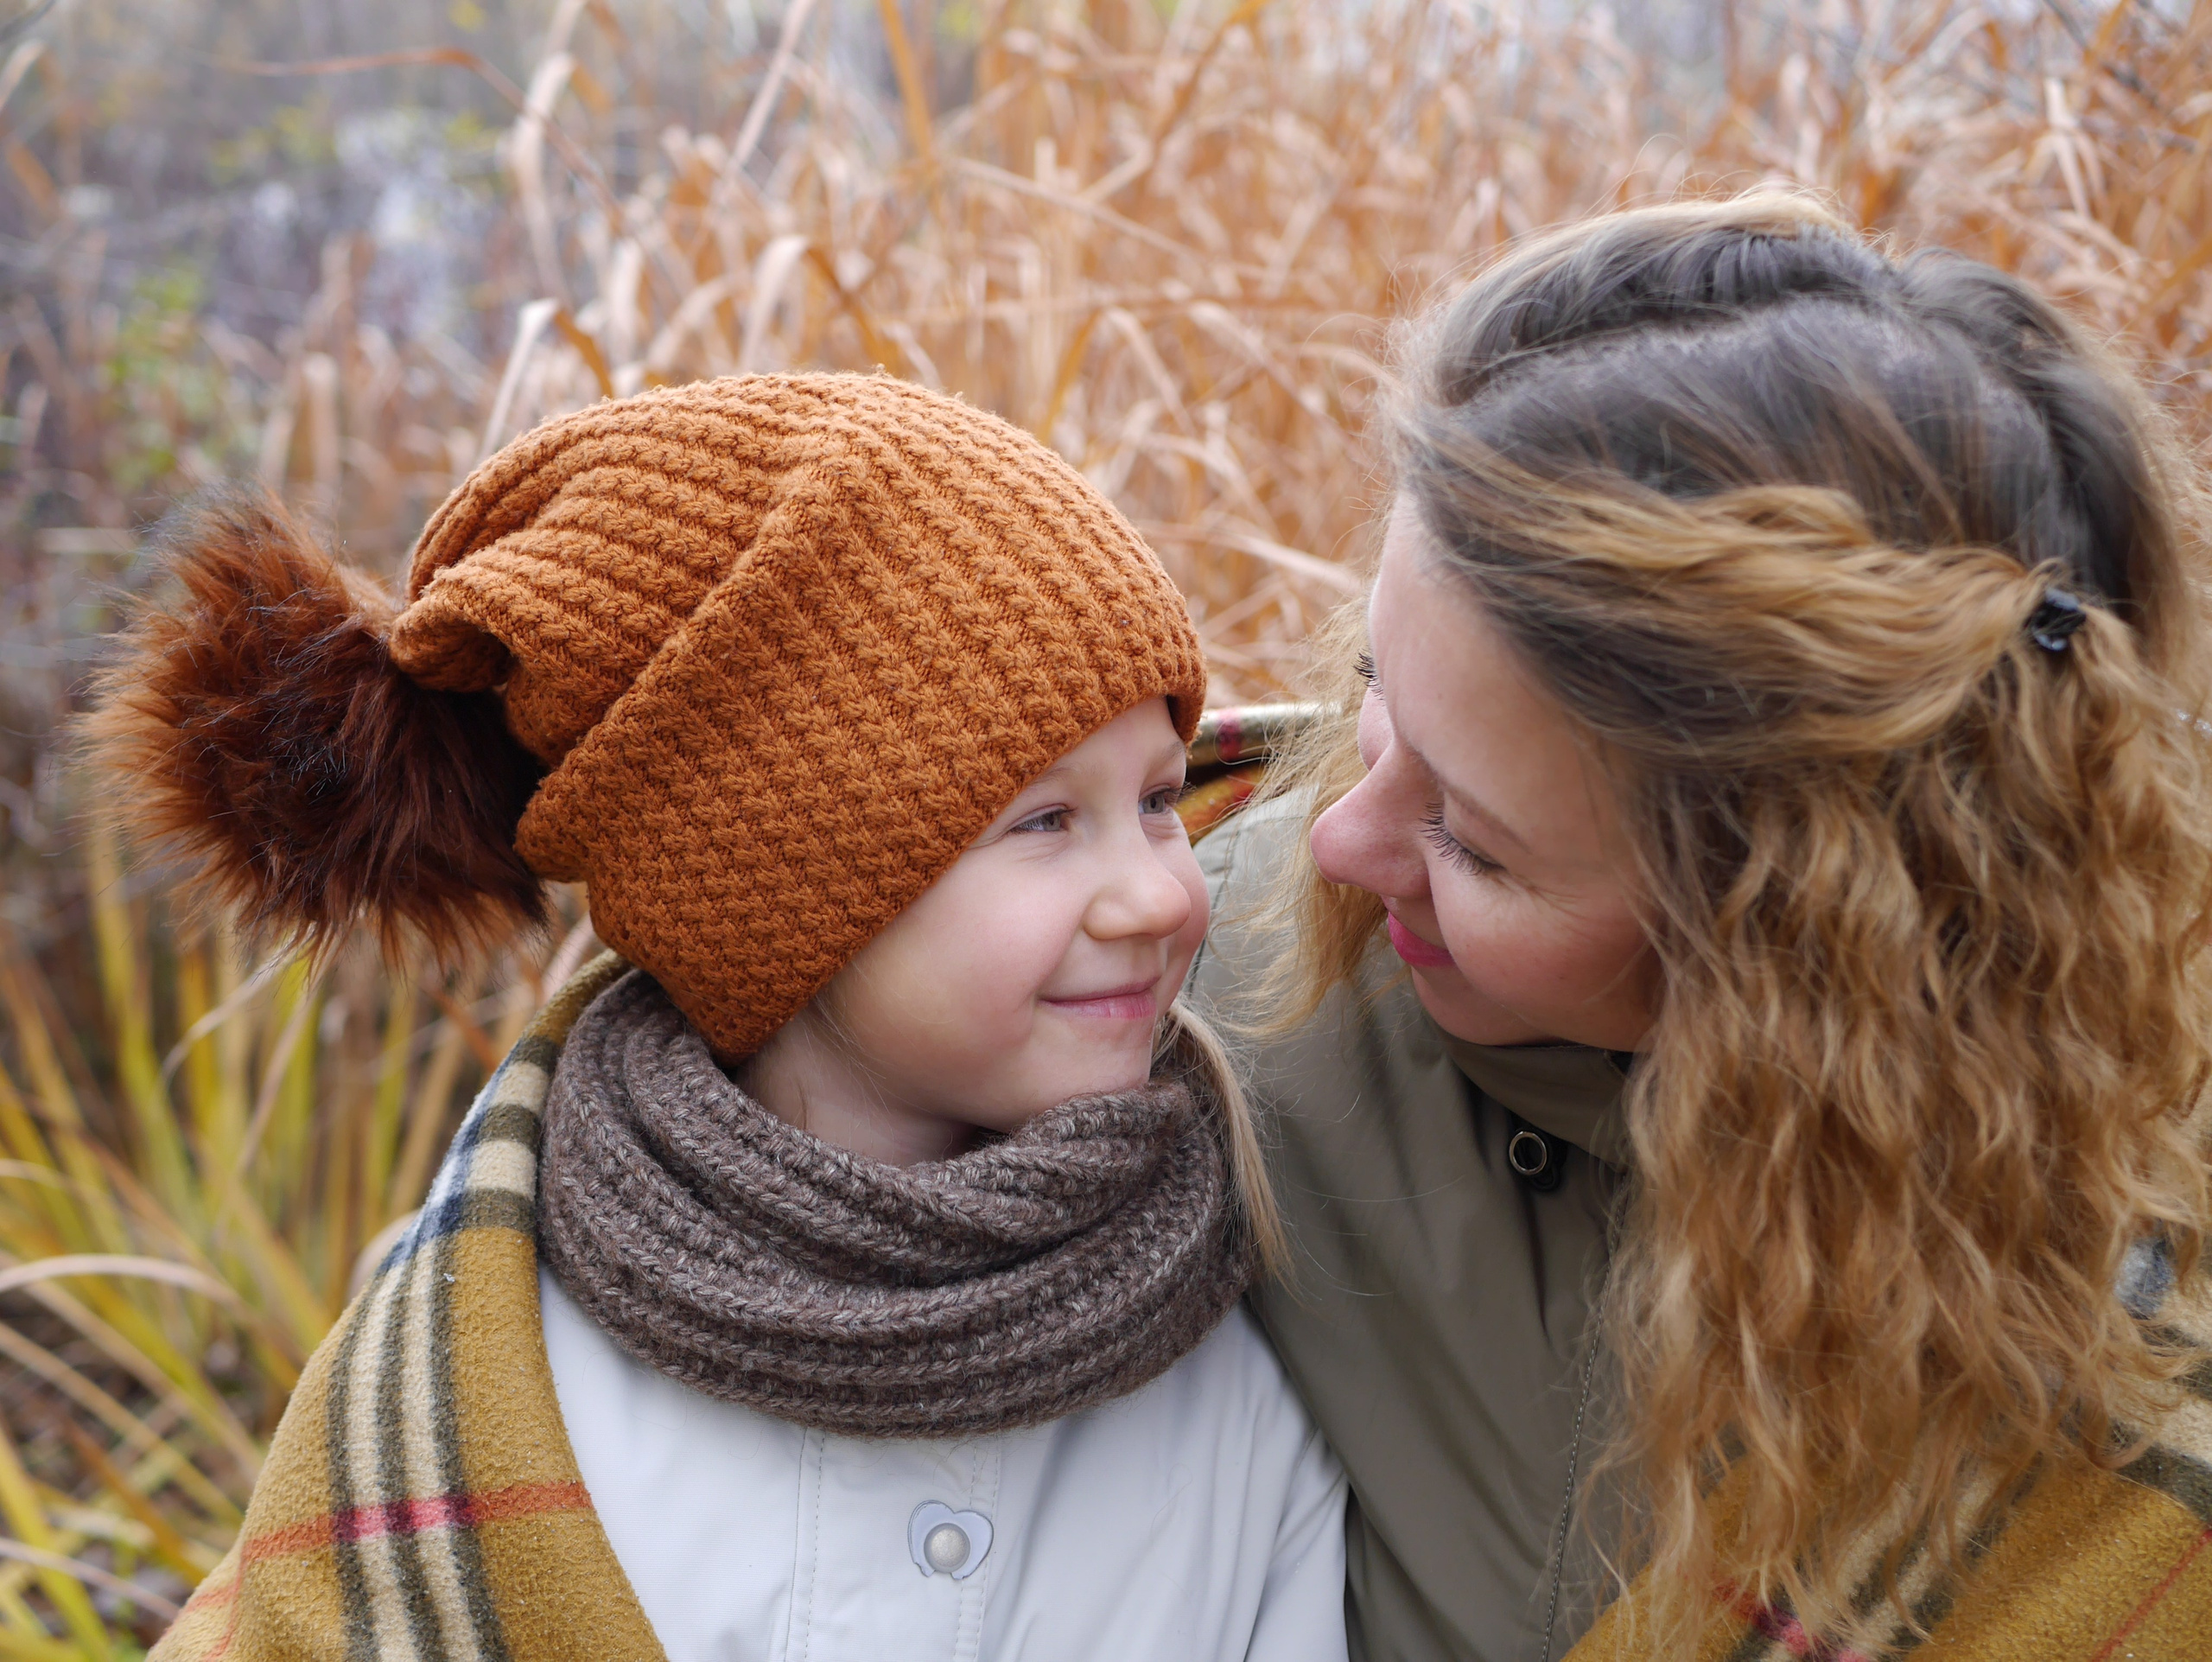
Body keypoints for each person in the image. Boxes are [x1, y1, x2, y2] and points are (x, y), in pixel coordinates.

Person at [93, 375, 1346, 1662]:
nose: (1158, 890)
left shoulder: (1251, 1366)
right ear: (782, 889)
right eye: (1042, 822)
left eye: (1155, 797)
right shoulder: (487, 1385)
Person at [1191, 193, 2212, 1662]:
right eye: (1376, 695)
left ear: (1797, 931)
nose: (1340, 844)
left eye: (1474, 842)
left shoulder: (2127, 1285)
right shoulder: (1168, 976)